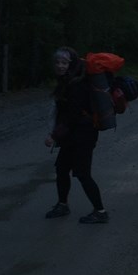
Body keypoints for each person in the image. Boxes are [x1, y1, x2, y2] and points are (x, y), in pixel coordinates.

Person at [44, 46, 109, 224]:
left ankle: (100, 211)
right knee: (62, 169)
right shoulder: (67, 81)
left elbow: (72, 116)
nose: (60, 66)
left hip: (84, 135)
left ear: (71, 64)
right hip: (72, 135)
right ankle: (62, 205)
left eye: (64, 62)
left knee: (82, 173)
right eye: (57, 62)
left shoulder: (77, 84)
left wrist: (54, 136)